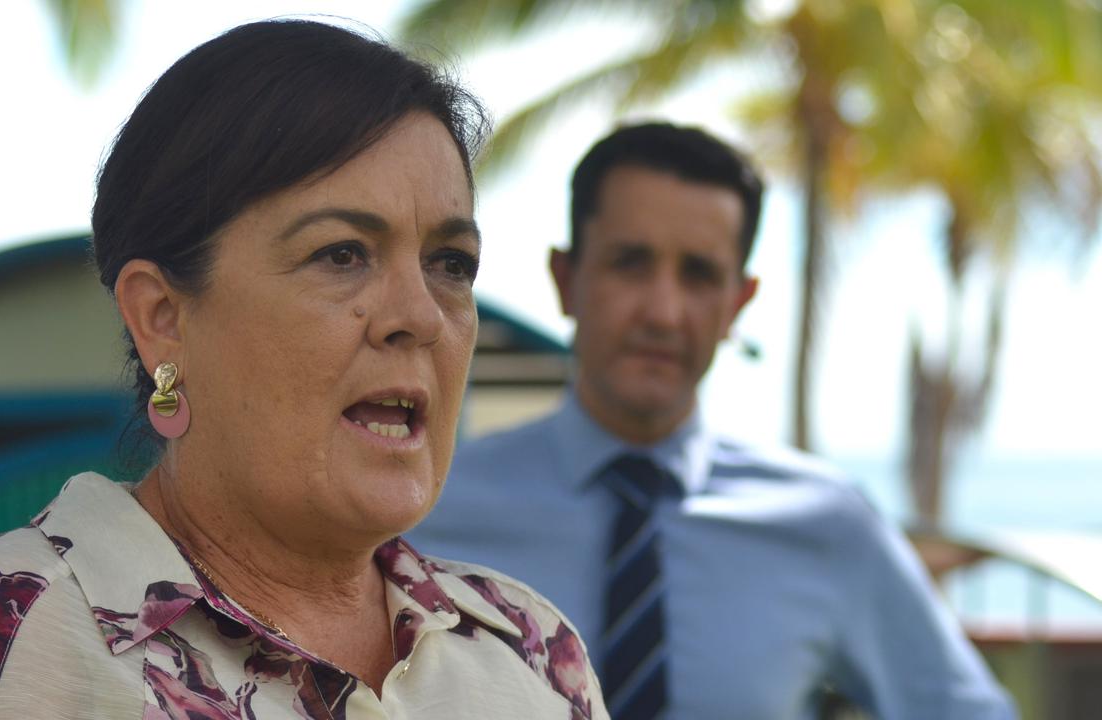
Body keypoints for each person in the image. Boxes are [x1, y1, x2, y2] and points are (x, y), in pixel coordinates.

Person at [0, 20, 606, 720]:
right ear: (163, 318)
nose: (421, 315)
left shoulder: (529, 652)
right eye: (341, 254)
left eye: (451, 262)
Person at [409, 123, 1015, 719]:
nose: (664, 312)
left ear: (737, 304)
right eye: (630, 263)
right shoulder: (430, 511)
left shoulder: (826, 523)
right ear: (567, 280)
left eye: (699, 274)